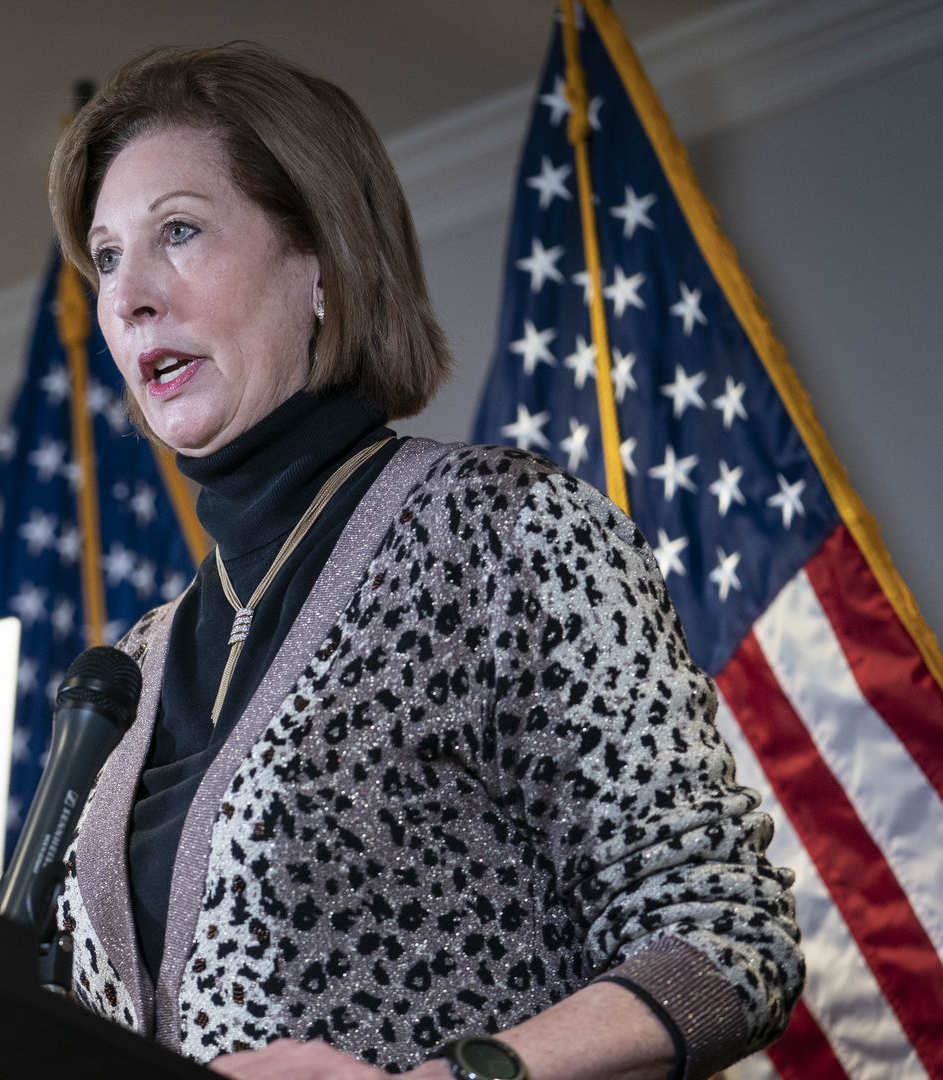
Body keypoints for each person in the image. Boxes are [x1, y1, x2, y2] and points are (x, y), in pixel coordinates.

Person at [45, 42, 803, 1079]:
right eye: (108, 256)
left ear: (318, 263)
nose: (130, 296)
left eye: (178, 232)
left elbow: (728, 941)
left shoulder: (503, 531)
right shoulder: (124, 677)